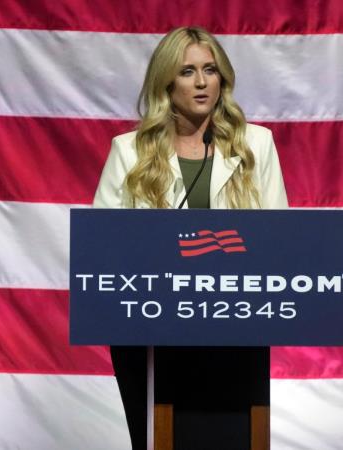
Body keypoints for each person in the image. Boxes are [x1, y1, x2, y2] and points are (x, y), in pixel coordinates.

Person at [93, 26, 287, 450]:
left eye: (210, 70)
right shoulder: (130, 151)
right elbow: (101, 248)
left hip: (237, 328)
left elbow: (280, 243)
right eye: (187, 72)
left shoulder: (256, 145)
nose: (201, 83)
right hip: (151, 336)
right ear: (166, 81)